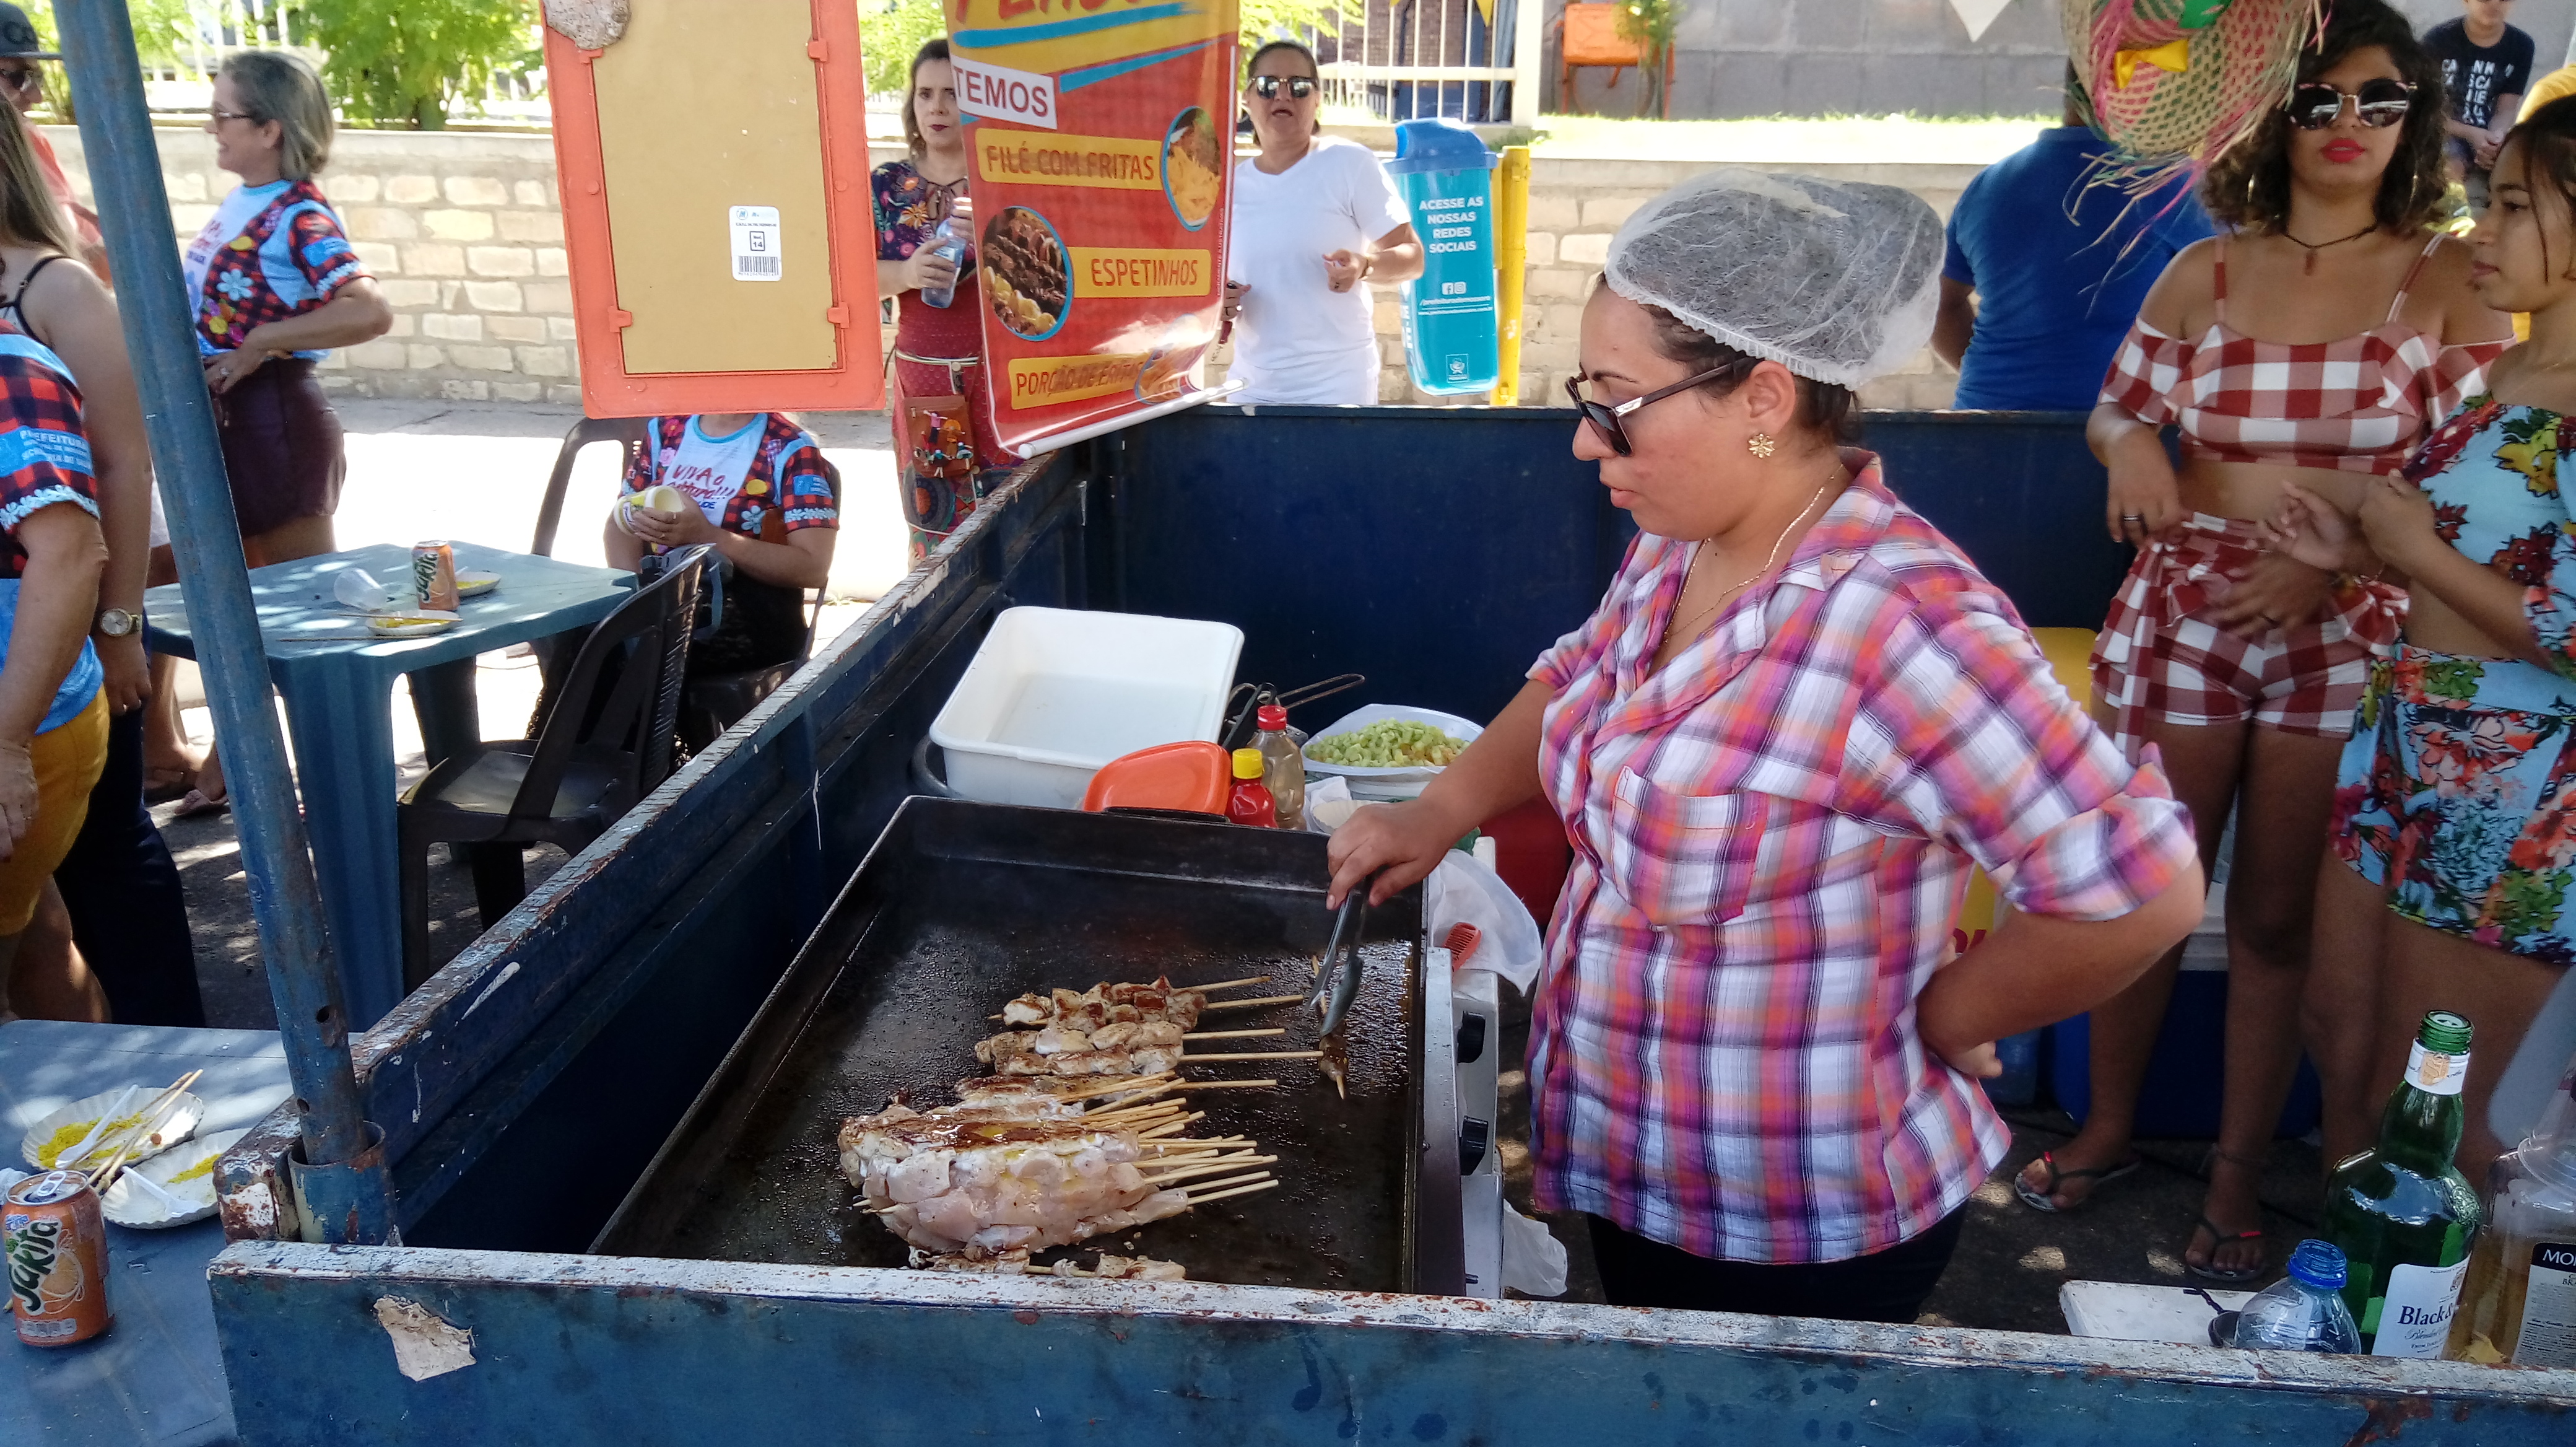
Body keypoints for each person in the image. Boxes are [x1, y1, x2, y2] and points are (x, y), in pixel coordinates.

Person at [1323, 171, 2204, 1324]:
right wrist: (1436, 813)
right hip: (1646, 1171)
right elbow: (1581, 670)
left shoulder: (1904, 624)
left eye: (1616, 401)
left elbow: (2144, 889)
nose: (1588, 443)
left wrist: (1953, 1017)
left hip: (1797, 1218)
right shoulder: (1688, 538)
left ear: (1765, 398)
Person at [2039, 1, 2512, 1285]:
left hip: (2350, 626)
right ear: (2272, 114)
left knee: (2272, 923)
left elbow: (2480, 491)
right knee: (2147, 892)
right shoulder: (2206, 268)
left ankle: (2244, 1168)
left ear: (2414, 116)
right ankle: (2108, 1126)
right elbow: (2114, 411)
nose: (2349, 127)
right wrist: (2133, 444)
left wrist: (2338, 565)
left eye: (2379, 100)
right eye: (2322, 100)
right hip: (2185, 608)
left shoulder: (2452, 277)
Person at [2259, 97, 2576, 1175]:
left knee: (2441, 1109)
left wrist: (2418, 551)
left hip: (2517, 787)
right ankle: (2348, 1306)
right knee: (2338, 1036)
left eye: (2516, 207)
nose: (2479, 232)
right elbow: (2486, 560)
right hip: (2402, 734)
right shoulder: (2507, 378)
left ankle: (2416, 1332)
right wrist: (2357, 555)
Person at [0, 101, 193, 1023]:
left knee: (113, 852)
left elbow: (124, 462)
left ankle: (176, 1050)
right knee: (46, 904)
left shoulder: (54, 289)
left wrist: (121, 628)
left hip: (71, 618)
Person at [172, 50, 393, 817]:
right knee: (259, 607)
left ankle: (349, 788)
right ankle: (234, 764)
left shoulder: (298, 214)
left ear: (270, 127)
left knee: (309, 618)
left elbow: (368, 309)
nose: (212, 129)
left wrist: (263, 340)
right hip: (244, 420)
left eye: (225, 115)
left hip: (275, 422)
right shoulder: (250, 201)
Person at [1933, 65, 2217, 411]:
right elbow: (2242, 305)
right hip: (2121, 433)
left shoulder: (1990, 184)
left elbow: (1939, 305)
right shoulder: (2171, 186)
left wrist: (1997, 383)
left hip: (1986, 421)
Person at [0, 261, 111, 1023]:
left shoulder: (11, 369)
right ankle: (111, 1128)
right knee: (39, 939)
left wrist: (5, 748)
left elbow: (72, 554)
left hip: (26, 727)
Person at [1219, 40, 1423, 405]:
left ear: (1317, 99)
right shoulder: (1227, 188)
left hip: (1338, 388)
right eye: (1268, 86)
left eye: (1298, 86)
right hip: (1253, 389)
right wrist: (1218, 302)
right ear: (1247, 98)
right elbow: (1207, 290)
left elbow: (1413, 257)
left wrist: (1365, 266)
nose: (1283, 95)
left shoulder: (1349, 164)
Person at [874, 38, 1013, 564]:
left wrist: (997, 238)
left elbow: (1053, 280)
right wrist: (907, 272)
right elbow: (846, 281)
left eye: (954, 94)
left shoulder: (1007, 182)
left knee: (1011, 516)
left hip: (1002, 378)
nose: (937, 107)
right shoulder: (887, 187)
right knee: (936, 525)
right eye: (926, 93)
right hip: (927, 382)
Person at [604, 411, 838, 686]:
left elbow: (813, 568)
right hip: (669, 600)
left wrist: (708, 536)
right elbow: (621, 522)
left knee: (630, 655)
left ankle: (650, 728)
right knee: (584, 639)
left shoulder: (791, 448)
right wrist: (636, 598)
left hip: (753, 615)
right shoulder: (665, 431)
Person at [0, 3, 103, 278]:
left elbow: (95, 263)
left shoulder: (27, 141)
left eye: (37, 77)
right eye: (18, 77)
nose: (37, 97)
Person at [2422, 0, 2533, 188]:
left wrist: (2496, 138)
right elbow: (2422, 110)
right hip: (2444, 129)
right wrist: (2471, 134)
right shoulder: (2438, 40)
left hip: (2485, 133)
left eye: (2503, 0)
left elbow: (2506, 108)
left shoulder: (2522, 46)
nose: (2494, 5)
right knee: (2451, 166)